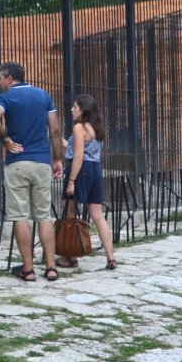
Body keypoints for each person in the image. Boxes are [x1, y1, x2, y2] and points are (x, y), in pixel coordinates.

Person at [0, 61, 64, 281]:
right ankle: (51, 267)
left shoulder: (5, 98)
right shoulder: (43, 95)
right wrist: (57, 159)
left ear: (9, 78)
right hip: (42, 162)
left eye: (0, 78)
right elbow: (55, 129)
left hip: (17, 162)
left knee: (20, 216)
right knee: (44, 216)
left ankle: (28, 270)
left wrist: (5, 140)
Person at [61, 94, 117, 270]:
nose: (72, 109)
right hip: (95, 170)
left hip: (80, 170)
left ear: (83, 110)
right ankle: (111, 257)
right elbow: (77, 149)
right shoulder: (96, 128)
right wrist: (56, 138)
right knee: (98, 216)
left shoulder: (79, 127)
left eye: (75, 107)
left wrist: (71, 181)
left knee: (69, 214)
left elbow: (78, 156)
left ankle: (69, 256)